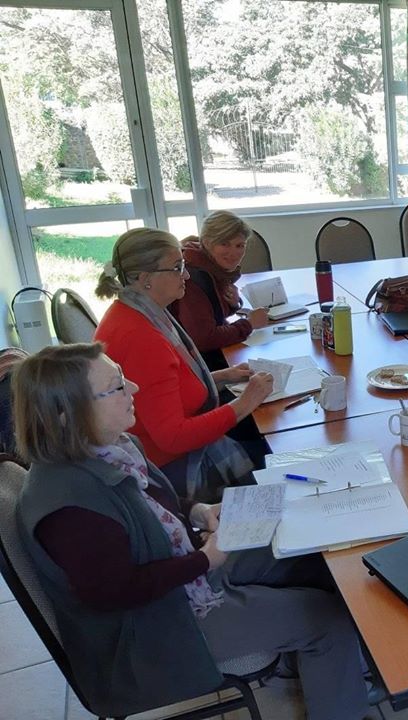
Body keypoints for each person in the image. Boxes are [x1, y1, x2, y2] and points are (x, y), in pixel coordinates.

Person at [12, 344, 368, 720]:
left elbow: (147, 503)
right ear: (67, 414)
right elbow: (116, 593)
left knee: (307, 555)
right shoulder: (68, 509)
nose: (133, 388)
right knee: (325, 620)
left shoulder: (110, 449)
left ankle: (335, 673)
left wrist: (198, 511)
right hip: (156, 632)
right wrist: (204, 561)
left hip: (182, 584)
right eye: (116, 386)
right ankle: (338, 690)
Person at [94, 228, 273, 499]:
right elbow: (173, 437)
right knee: (277, 454)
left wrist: (221, 376)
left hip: (169, 454)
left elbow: (162, 388)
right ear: (145, 278)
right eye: (177, 267)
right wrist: (246, 402)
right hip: (169, 470)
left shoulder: (136, 311)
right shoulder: (141, 337)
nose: (187, 275)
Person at [170, 210, 269, 371]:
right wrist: (249, 324)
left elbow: (211, 314)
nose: (234, 253)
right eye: (224, 244)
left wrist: (232, 304)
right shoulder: (193, 277)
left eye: (240, 245)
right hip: (198, 367)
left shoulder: (211, 267)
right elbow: (204, 339)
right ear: (207, 242)